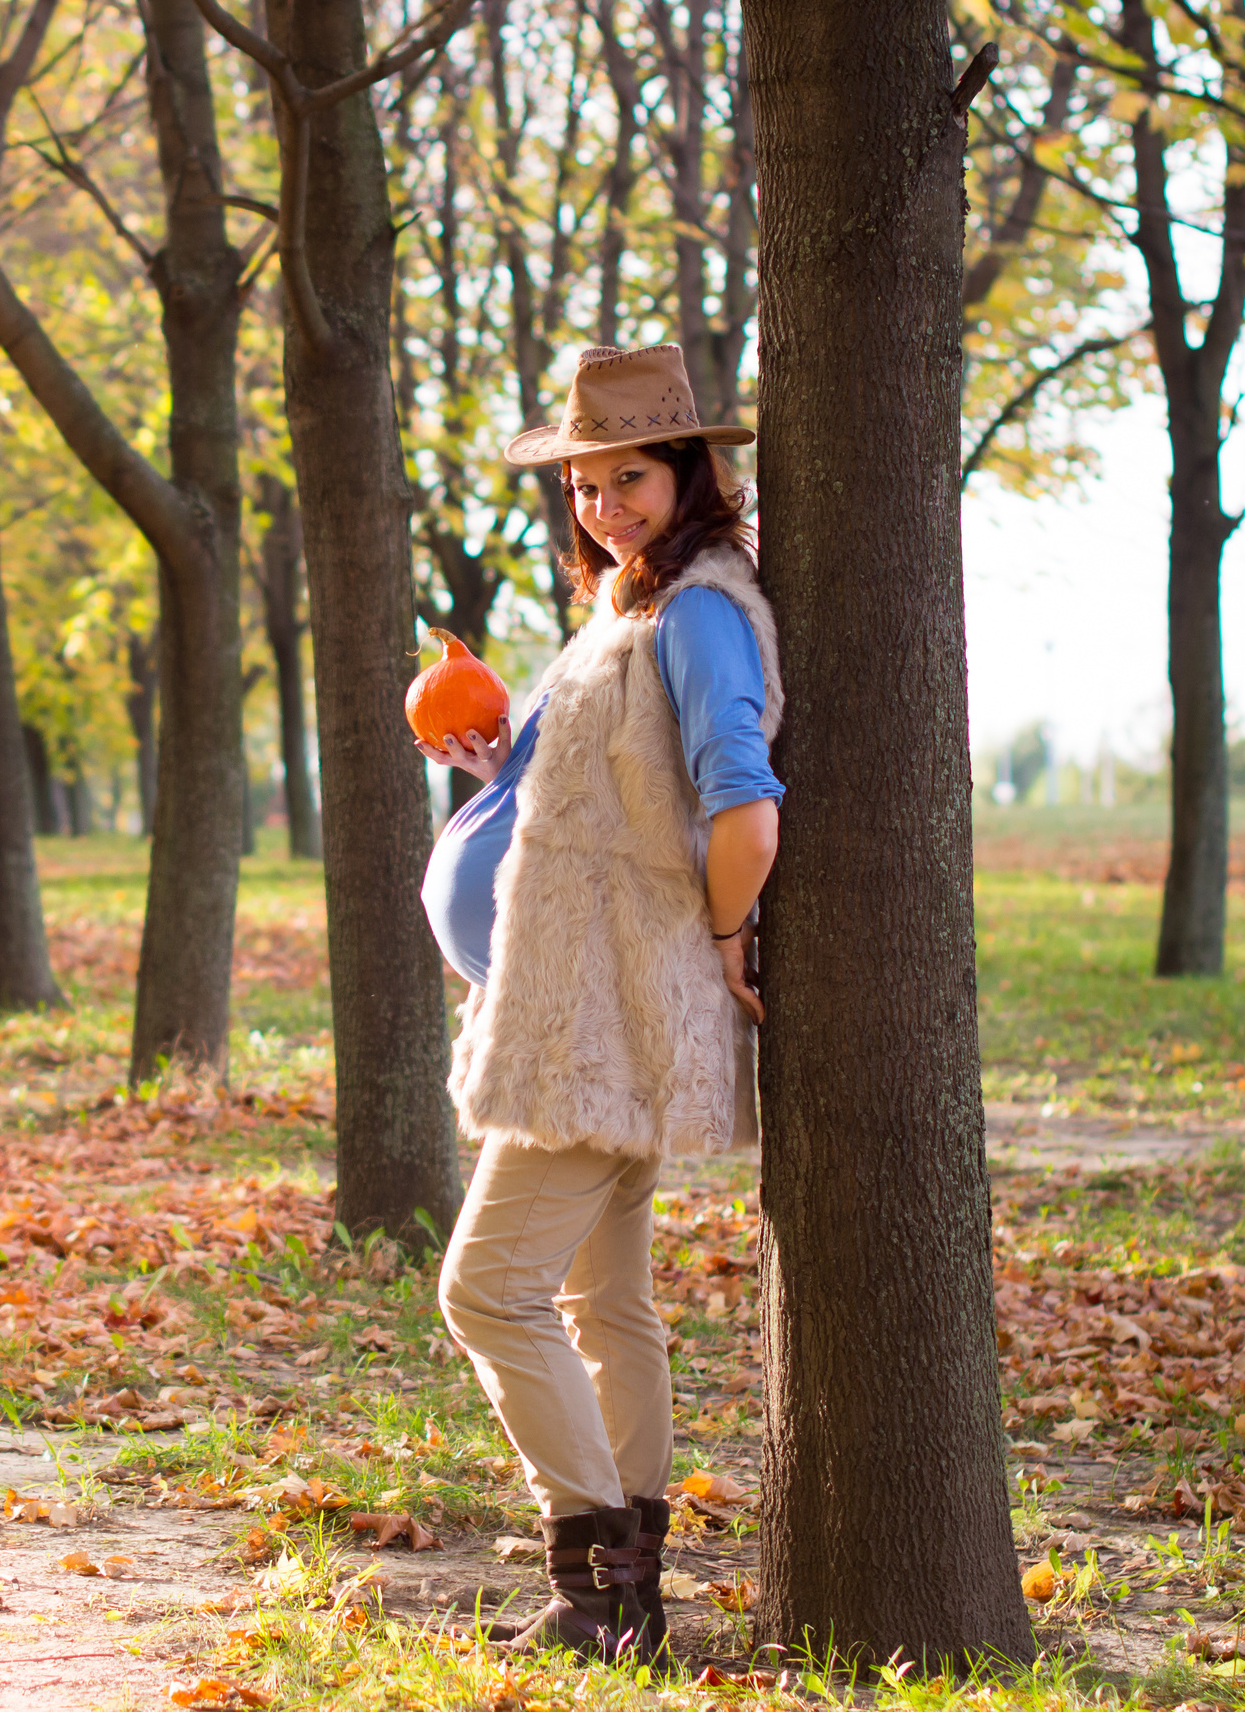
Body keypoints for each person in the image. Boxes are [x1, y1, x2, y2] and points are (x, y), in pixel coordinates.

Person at [420, 343, 782, 1663]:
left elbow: (740, 796)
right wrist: (508, 755)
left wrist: (733, 936)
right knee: (599, 1301)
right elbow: (626, 785)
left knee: (485, 1290)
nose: (601, 504)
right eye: (581, 482)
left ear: (688, 468)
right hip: (576, 999)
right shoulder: (637, 603)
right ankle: (627, 1600)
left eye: (626, 475)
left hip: (600, 1019)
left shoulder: (695, 612)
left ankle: (592, 1582)